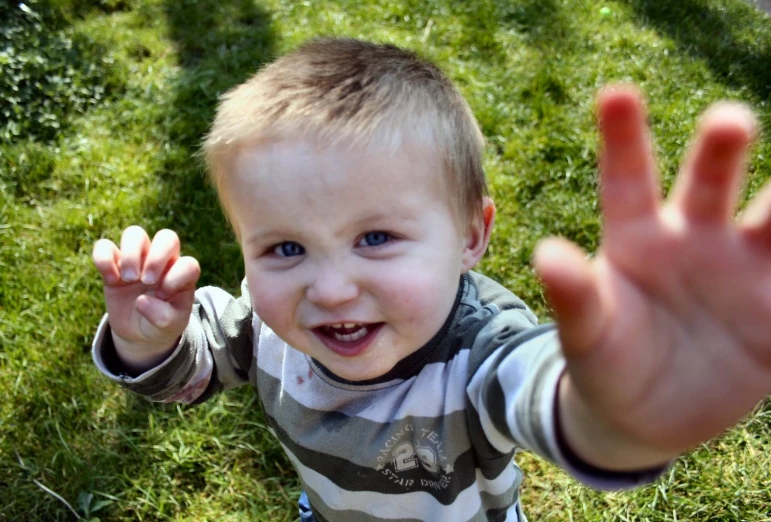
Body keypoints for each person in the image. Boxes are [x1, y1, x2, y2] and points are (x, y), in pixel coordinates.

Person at [91, 38, 771, 522]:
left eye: (376, 238)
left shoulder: (481, 350)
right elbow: (191, 374)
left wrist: (622, 411)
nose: (328, 289)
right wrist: (149, 344)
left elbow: (546, 396)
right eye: (286, 247)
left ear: (471, 236)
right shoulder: (264, 323)